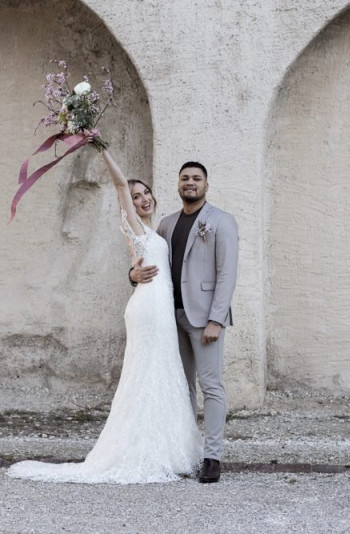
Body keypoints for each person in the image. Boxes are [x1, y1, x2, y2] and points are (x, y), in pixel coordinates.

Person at [7, 148, 202, 484]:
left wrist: (132, 272)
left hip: (160, 309)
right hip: (148, 311)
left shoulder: (151, 233)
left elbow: (137, 263)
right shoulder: (135, 228)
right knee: (147, 375)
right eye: (136, 196)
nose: (142, 199)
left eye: (146, 194)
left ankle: (165, 448)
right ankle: (141, 450)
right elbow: (120, 185)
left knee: (161, 375)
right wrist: (101, 147)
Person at [130, 161, 239, 483]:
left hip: (204, 319)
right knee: (182, 388)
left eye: (196, 179)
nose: (190, 183)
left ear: (206, 185)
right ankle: (186, 451)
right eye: (185, 178)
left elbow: (227, 273)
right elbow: (148, 263)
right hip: (169, 317)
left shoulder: (221, 221)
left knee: (211, 386)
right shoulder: (166, 224)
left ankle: (212, 457)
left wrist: (216, 320)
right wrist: (132, 275)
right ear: (178, 184)